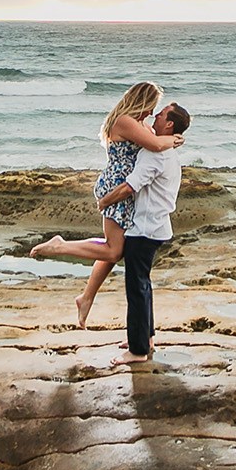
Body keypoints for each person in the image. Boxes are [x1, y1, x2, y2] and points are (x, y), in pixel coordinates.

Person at [31, 81, 184, 326]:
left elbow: (156, 144)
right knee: (114, 250)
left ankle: (86, 298)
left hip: (128, 191)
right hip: (116, 188)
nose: (151, 113)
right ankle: (60, 247)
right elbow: (156, 145)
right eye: (150, 107)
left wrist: (170, 138)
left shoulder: (140, 123)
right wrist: (176, 139)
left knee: (114, 248)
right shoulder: (124, 121)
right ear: (141, 101)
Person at [94, 102, 188, 364]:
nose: (154, 116)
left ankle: (136, 351)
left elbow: (129, 187)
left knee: (136, 288)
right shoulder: (162, 148)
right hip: (156, 226)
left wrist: (104, 202)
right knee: (143, 285)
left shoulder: (155, 153)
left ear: (169, 124)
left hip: (145, 228)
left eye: (160, 114)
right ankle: (145, 338)